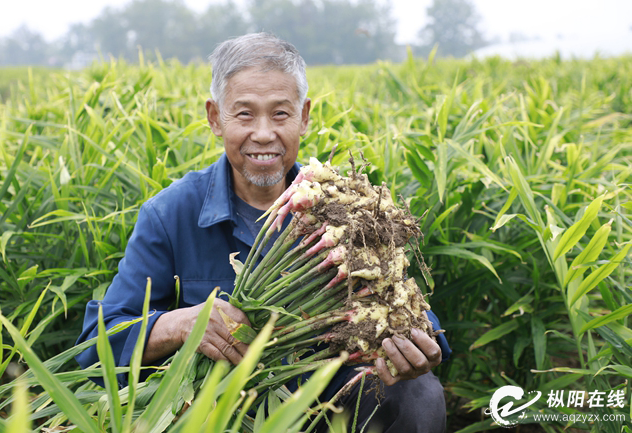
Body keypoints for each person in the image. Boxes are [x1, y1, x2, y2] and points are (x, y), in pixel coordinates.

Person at [76, 32, 450, 432]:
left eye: (281, 114)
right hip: (224, 408)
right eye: (244, 114)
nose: (264, 134)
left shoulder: (346, 208)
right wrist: (184, 323)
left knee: (420, 393)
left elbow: (404, 307)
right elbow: (98, 344)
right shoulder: (170, 214)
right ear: (214, 118)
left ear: (304, 116)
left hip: (327, 405)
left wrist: (417, 345)